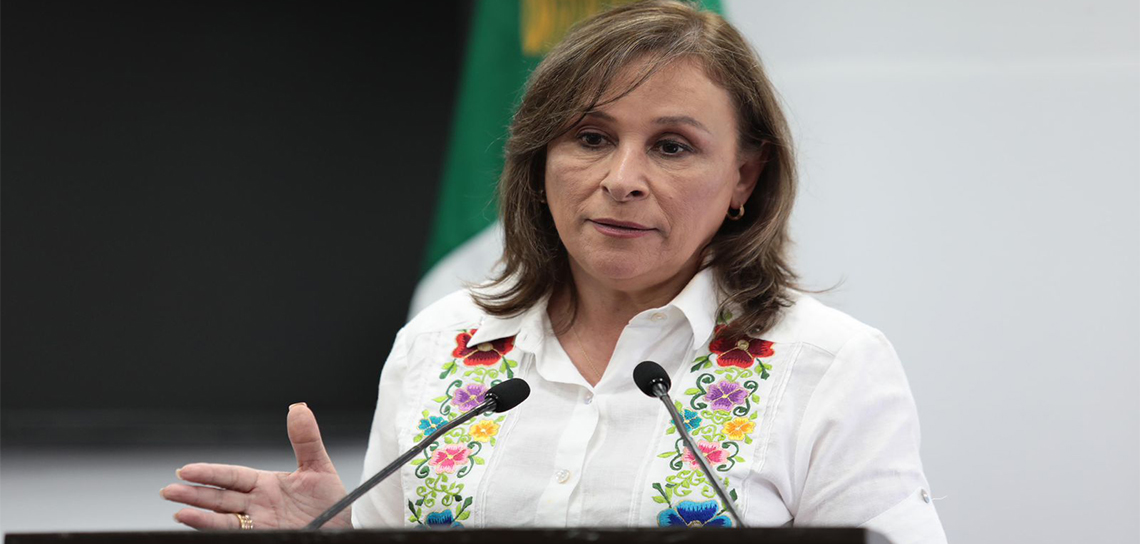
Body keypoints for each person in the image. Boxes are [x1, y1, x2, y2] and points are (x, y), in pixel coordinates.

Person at [161, 1, 947, 542]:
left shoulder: (829, 366)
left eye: (672, 146)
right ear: (541, 160)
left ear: (744, 176)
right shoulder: (440, 344)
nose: (622, 179)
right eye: (591, 138)